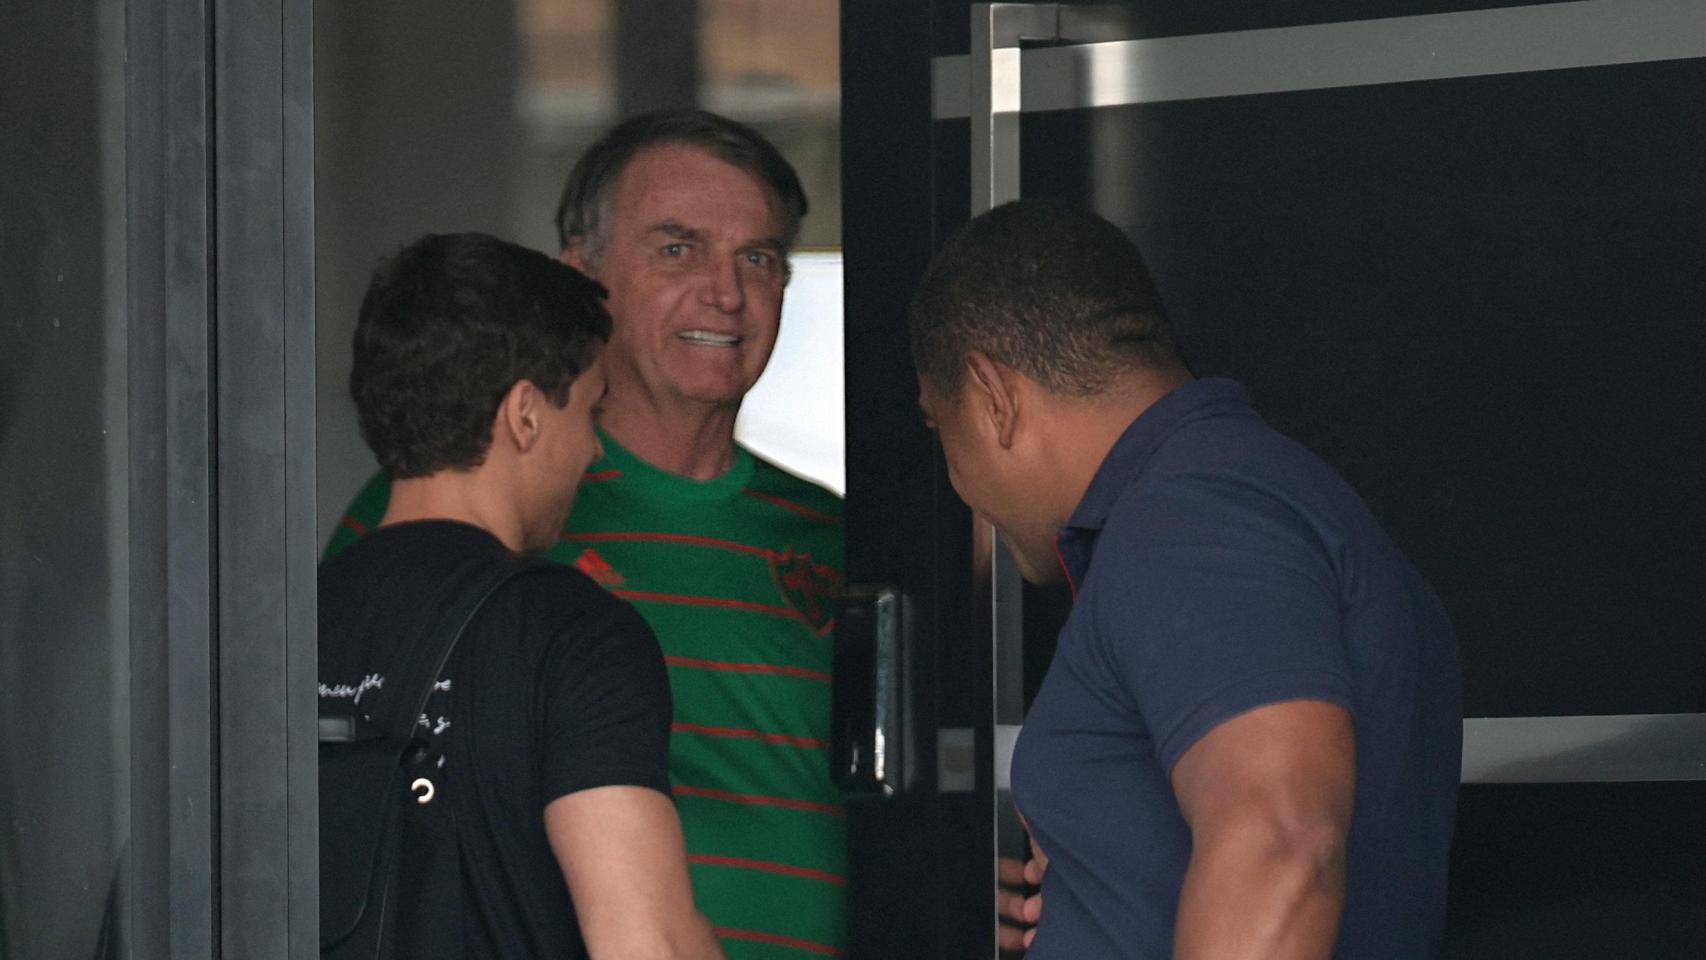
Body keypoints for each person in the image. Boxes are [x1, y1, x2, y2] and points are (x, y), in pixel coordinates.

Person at [325, 113, 846, 959]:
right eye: (677, 249)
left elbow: (910, 789)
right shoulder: (438, 516)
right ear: (581, 275)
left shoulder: (842, 539)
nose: (726, 291)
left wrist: (970, 865)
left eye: (758, 257)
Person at [912, 201, 1462, 959]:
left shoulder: (1189, 517)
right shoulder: (1233, 497)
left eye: (943, 431)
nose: (957, 479)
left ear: (993, 398)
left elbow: (1281, 844)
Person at [318, 232, 723, 959]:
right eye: (592, 412)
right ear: (526, 415)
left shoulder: (277, 632)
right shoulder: (571, 635)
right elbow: (645, 944)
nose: (596, 450)